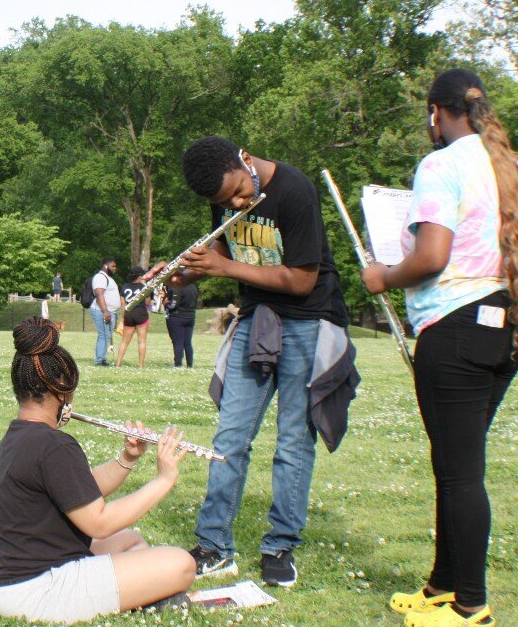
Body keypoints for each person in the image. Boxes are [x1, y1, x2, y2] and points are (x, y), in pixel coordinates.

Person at [361, 70, 518, 627]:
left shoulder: (441, 165)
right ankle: (442, 586)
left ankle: (472, 606)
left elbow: (432, 255)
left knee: (461, 473)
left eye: (429, 116)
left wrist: (383, 275)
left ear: (437, 112)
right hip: (505, 326)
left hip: (455, 329)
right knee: (453, 463)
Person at [151, 135, 352, 589]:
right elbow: (227, 249)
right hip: (257, 319)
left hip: (307, 319)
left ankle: (279, 545)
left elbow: (302, 279)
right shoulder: (222, 193)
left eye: (240, 191)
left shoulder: (295, 190)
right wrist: (185, 271)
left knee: (293, 442)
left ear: (244, 159)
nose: (240, 203)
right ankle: (214, 546)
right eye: (229, 202)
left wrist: (223, 270)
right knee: (230, 434)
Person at [0, 316, 195, 624]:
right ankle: (146, 594)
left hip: (1, 585)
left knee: (130, 541)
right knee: (182, 563)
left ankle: (142, 593)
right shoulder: (54, 445)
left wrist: (128, 458)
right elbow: (100, 523)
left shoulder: (19, 435)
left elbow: (79, 490)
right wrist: (164, 479)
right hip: (34, 590)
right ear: (62, 392)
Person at [114, 268, 151, 368]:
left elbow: (123, 304)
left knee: (124, 342)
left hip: (129, 315)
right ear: (139, 276)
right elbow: (148, 303)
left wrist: (123, 317)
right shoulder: (144, 287)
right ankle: (141, 365)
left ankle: (118, 364)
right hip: (141, 315)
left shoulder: (125, 286)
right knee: (142, 341)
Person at [88, 257, 120, 366]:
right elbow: (99, 294)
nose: (115, 268)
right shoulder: (100, 277)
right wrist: (105, 311)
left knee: (107, 335)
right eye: (113, 266)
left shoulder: (108, 278)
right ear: (106, 266)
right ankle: (100, 360)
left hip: (111, 311)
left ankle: (102, 358)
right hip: (102, 310)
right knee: (104, 335)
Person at [163, 282, 200, 368]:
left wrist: (166, 304)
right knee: (187, 342)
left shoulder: (177, 287)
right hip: (191, 316)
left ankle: (178, 364)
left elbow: (174, 304)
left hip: (177, 316)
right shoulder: (193, 286)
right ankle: (190, 364)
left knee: (177, 342)